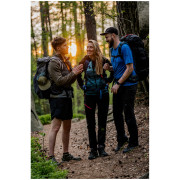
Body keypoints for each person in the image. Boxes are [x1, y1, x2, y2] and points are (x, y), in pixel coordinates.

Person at [100, 27, 139, 153]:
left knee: (128, 113)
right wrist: (110, 68)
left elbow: (130, 68)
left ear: (113, 35)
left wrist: (118, 83)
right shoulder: (112, 49)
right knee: (117, 114)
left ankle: (134, 142)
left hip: (128, 86)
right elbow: (119, 67)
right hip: (119, 85)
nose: (106, 39)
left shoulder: (125, 47)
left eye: (107, 37)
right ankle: (122, 139)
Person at [47, 37, 83, 164]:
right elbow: (59, 81)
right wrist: (73, 73)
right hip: (57, 98)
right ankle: (51, 157)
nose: (67, 47)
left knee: (67, 127)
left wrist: (75, 73)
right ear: (58, 48)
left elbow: (69, 80)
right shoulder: (53, 62)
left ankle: (66, 154)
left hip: (67, 97)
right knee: (55, 127)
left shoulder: (65, 61)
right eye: (65, 45)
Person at [77, 39, 114, 160]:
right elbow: (77, 74)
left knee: (102, 121)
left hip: (103, 95)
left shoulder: (104, 60)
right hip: (89, 96)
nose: (88, 49)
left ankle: (101, 147)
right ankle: (93, 149)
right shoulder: (84, 60)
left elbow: (112, 71)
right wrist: (83, 86)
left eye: (91, 47)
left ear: (96, 48)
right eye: (87, 47)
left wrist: (107, 81)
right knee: (90, 123)